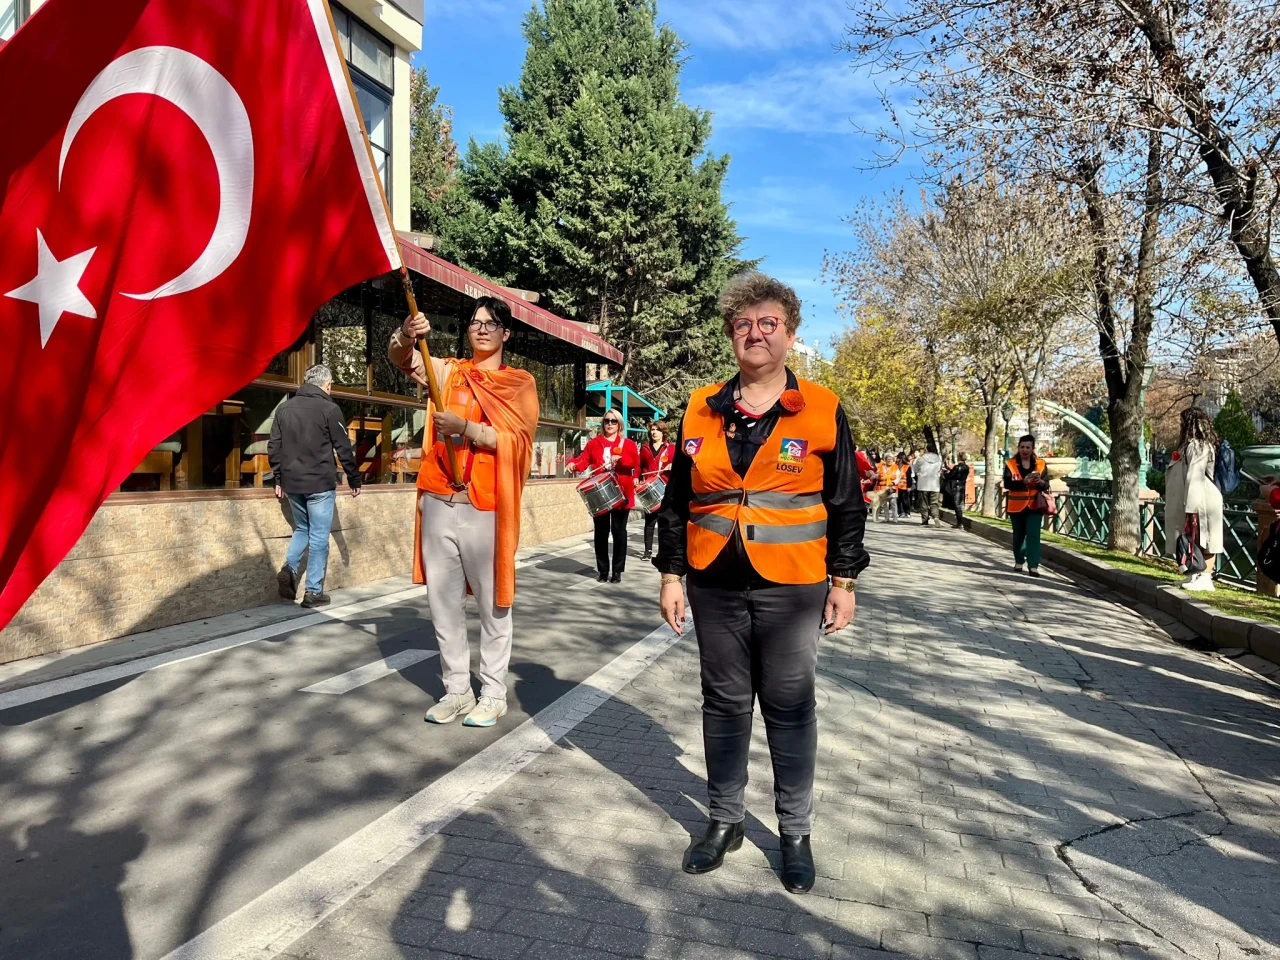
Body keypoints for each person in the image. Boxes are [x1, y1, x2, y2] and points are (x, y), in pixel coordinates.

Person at [655, 271, 869, 895]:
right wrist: (671, 574)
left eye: (768, 324)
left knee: (789, 704)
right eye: (743, 324)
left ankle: (795, 832)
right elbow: (676, 500)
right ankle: (724, 822)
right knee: (722, 704)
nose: (755, 334)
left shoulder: (823, 408)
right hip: (712, 581)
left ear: (790, 335)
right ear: (730, 335)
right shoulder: (701, 406)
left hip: (794, 586)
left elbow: (846, 502)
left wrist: (845, 580)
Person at [389, 298, 540, 728]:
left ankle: (493, 692)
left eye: (491, 324)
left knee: (494, 604)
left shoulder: (519, 383)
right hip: (439, 499)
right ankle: (456, 689)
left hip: (486, 506)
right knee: (443, 603)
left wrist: (468, 429)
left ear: (506, 333)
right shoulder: (447, 370)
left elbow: (520, 442)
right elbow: (399, 356)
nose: (482, 329)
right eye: (475, 322)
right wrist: (405, 332)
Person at [269, 364, 363, 608]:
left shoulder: (283, 410)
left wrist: (278, 478)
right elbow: (343, 448)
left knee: (302, 528)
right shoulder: (330, 409)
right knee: (319, 536)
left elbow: (274, 446)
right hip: (319, 483)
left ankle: (289, 567)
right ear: (327, 384)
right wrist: (354, 479)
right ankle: (313, 591)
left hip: (292, 483)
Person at [568, 412, 640, 582]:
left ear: (619, 425)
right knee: (600, 533)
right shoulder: (594, 443)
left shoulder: (627, 444)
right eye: (607, 421)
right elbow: (583, 459)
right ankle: (602, 570)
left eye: (613, 421)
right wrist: (573, 464)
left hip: (621, 493)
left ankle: (617, 571)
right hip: (600, 494)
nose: (610, 424)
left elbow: (635, 464)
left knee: (619, 532)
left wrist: (621, 460)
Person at [1165, 408, 1224, 592]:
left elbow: (1195, 476)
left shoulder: (1199, 446)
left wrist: (1191, 506)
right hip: (1193, 498)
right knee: (1194, 538)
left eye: (1182, 422)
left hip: (1203, 499)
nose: (1179, 425)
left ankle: (1206, 578)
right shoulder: (1189, 446)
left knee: (1206, 538)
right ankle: (1194, 576)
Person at [1003, 435, 1050, 577]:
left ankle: (1033, 565)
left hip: (1035, 506)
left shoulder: (1041, 464)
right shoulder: (1010, 464)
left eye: (1028, 447)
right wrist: (1024, 481)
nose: (1024, 450)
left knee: (1033, 535)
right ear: (1018, 448)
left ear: (1032, 449)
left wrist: (1041, 482)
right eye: (1022, 447)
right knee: (1018, 536)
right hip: (1016, 506)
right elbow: (1007, 484)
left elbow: (1046, 484)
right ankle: (1019, 560)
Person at [639, 423, 675, 561]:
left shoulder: (670, 448)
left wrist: (673, 465)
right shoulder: (645, 448)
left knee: (663, 522)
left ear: (663, 433)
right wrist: (637, 478)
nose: (654, 432)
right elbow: (639, 465)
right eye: (652, 430)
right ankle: (647, 551)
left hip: (664, 488)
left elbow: (678, 464)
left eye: (657, 430)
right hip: (649, 488)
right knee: (649, 521)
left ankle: (662, 551)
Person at [912, 443, 944, 526]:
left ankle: (925, 520)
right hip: (935, 484)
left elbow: (914, 468)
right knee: (934, 503)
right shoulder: (939, 459)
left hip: (923, 484)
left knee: (924, 503)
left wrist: (918, 472)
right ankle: (936, 516)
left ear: (927, 449)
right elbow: (940, 469)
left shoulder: (921, 459)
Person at [872, 454, 902, 522]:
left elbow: (898, 477)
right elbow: (876, 475)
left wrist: (893, 483)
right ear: (885, 460)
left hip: (892, 488)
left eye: (891, 459)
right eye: (888, 459)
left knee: (893, 503)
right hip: (883, 488)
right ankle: (886, 518)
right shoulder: (880, 467)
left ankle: (895, 518)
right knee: (885, 504)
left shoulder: (895, 467)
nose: (889, 461)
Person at [947, 452, 971, 528]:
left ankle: (960, 523)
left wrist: (945, 474)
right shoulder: (966, 467)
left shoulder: (957, 467)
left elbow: (951, 475)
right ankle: (959, 522)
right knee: (959, 504)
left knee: (957, 505)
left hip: (955, 486)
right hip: (962, 485)